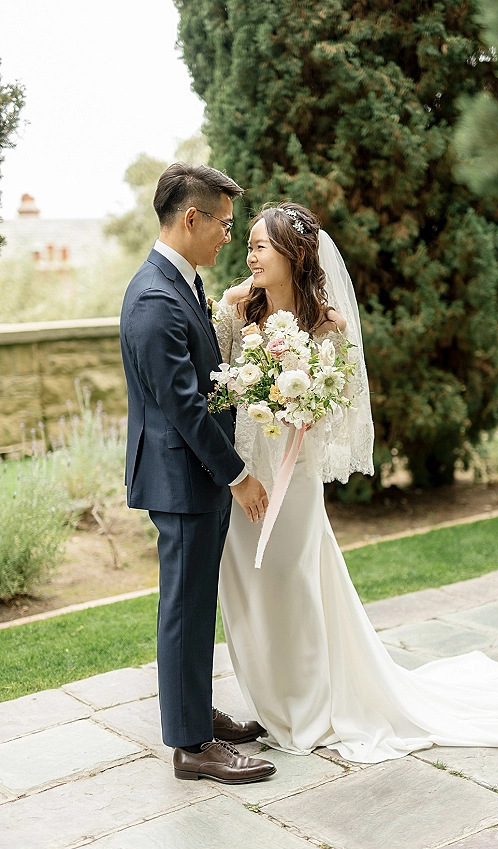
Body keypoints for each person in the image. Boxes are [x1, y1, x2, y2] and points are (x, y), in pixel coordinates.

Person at [214, 202, 498, 764]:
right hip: (245, 469)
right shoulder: (237, 308)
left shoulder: (329, 324)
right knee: (247, 588)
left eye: (261, 245)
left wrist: (303, 407)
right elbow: (216, 381)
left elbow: (344, 407)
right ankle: (272, 705)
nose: (250, 254)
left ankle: (311, 711)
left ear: (294, 252)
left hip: (296, 472)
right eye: (250, 245)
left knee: (293, 580)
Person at [119, 163, 276, 783]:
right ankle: (191, 746)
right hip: (183, 479)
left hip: (191, 476)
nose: (228, 238)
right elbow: (185, 404)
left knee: (194, 601)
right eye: (225, 224)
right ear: (192, 218)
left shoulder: (178, 283)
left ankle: (193, 713)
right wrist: (238, 475)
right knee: (184, 607)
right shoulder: (157, 297)